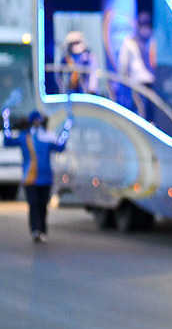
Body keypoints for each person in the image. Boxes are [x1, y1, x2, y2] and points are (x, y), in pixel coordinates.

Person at [2, 108, 72, 243]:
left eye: (38, 121)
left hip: (46, 178)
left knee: (42, 206)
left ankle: (42, 231)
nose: (37, 123)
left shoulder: (47, 137)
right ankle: (35, 231)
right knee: (33, 205)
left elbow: (60, 147)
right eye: (35, 121)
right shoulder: (24, 137)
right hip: (30, 178)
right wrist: (6, 121)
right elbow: (7, 141)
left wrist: (67, 128)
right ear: (31, 122)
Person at [117, 11, 157, 119]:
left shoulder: (153, 40)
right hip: (137, 82)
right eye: (142, 23)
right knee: (141, 112)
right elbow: (123, 65)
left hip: (152, 82)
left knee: (150, 114)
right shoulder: (130, 41)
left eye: (146, 23)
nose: (144, 27)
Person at [60, 30, 100, 94]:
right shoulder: (66, 58)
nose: (75, 46)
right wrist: (62, 89)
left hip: (87, 92)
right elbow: (59, 74)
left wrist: (92, 88)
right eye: (72, 43)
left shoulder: (88, 57)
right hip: (71, 92)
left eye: (77, 43)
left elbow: (93, 74)